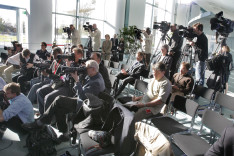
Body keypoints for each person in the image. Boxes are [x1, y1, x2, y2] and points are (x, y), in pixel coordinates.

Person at [22, 60, 105, 141]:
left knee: (59, 99)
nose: (85, 70)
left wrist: (77, 80)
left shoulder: (96, 82)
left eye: (86, 68)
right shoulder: (96, 75)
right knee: (59, 109)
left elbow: (82, 96)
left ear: (93, 69)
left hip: (86, 106)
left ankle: (42, 121)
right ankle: (64, 133)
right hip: (84, 101)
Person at [36, 48, 84, 115]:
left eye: (73, 54)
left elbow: (75, 78)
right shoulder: (68, 62)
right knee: (40, 91)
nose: (71, 55)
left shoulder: (81, 65)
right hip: (60, 83)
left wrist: (68, 66)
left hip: (69, 87)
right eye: (71, 53)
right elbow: (58, 74)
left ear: (80, 55)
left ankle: (47, 118)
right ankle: (43, 114)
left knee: (48, 97)